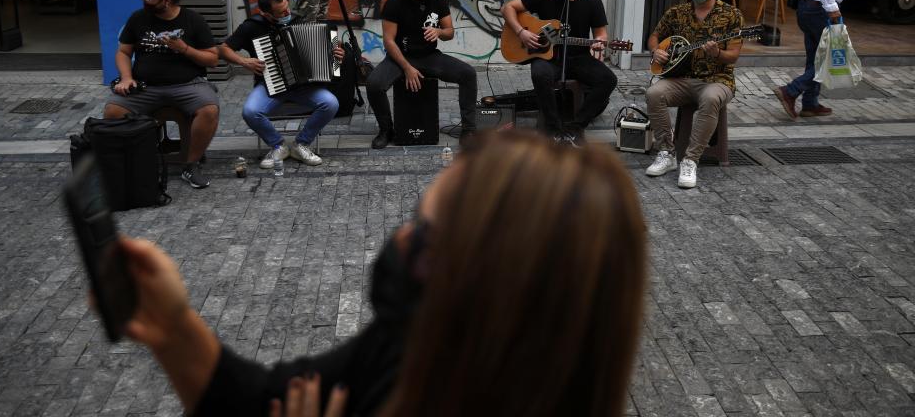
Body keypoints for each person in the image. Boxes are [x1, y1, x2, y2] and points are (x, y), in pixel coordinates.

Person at [111, 130, 647, 416]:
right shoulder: (413, 345)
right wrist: (173, 327)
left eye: (425, 242)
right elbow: (264, 397)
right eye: (412, 219)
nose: (398, 241)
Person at [104, 0, 219, 189]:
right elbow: (123, 52)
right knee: (113, 111)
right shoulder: (138, 18)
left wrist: (183, 48)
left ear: (166, 0)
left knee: (209, 110)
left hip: (188, 84)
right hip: (146, 87)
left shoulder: (192, 20)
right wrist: (126, 78)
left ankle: (191, 164)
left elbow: (212, 59)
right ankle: (134, 162)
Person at [645, 0, 744, 189]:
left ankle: (690, 160)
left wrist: (717, 53)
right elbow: (654, 36)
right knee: (653, 93)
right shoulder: (676, 13)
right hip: (680, 78)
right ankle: (667, 153)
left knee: (710, 99)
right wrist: (655, 51)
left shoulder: (731, 15)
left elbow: (734, 55)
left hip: (717, 80)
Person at [217, 0, 344, 168]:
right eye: (281, 12)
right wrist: (244, 61)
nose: (287, 13)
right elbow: (222, 49)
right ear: (266, 14)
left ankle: (301, 144)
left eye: (287, 7)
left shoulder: (300, 20)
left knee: (331, 103)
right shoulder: (252, 26)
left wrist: (336, 55)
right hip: (270, 84)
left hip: (303, 86)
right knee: (250, 112)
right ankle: (278, 145)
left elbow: (330, 49)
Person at [500, 0, 618, 143]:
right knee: (540, 74)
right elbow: (508, 8)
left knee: (608, 80)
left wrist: (599, 43)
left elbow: (601, 35)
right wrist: (521, 32)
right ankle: (553, 129)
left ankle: (575, 127)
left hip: (579, 57)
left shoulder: (592, 1)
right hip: (548, 58)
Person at [366, 0, 477, 149]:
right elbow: (389, 41)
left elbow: (449, 32)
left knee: (468, 74)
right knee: (374, 84)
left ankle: (468, 130)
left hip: (429, 56)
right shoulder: (395, 2)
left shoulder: (438, 0)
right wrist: (407, 68)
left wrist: (439, 32)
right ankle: (386, 130)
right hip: (401, 57)